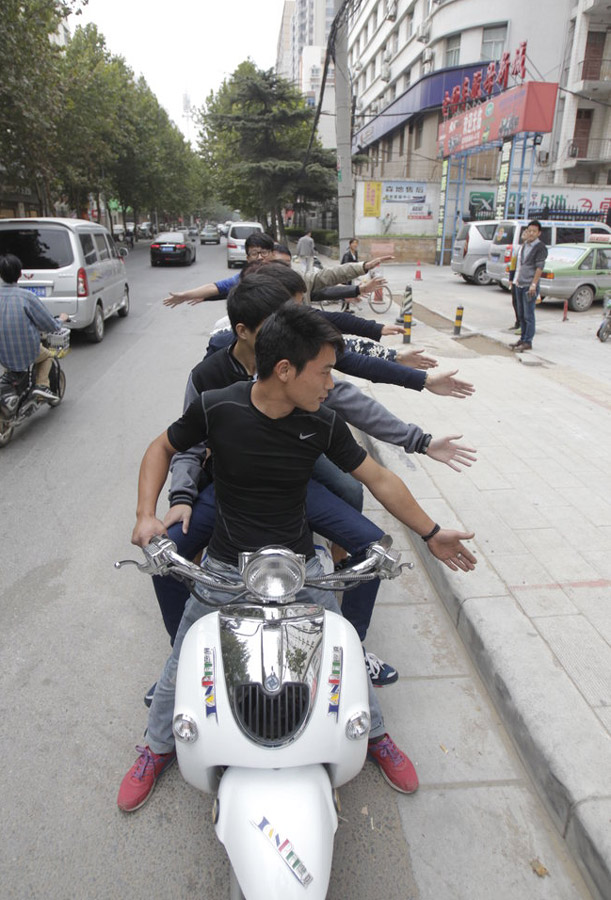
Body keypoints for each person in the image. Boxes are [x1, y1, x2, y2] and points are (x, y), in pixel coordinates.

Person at [117, 303, 477, 812]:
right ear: (285, 370)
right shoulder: (218, 405)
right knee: (183, 655)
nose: (331, 382)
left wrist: (432, 532)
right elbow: (161, 447)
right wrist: (144, 513)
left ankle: (373, 736)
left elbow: (378, 478)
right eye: (325, 371)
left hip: (299, 564)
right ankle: (156, 749)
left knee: (341, 649)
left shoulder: (322, 422)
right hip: (224, 563)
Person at [0, 254, 69, 402]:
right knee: (48, 356)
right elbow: (50, 325)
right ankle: (42, 386)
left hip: (3, 355)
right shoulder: (26, 297)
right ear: (20, 274)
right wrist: (61, 319)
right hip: (28, 351)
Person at [510, 221, 547, 353]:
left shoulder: (540, 247)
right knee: (520, 313)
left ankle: (528, 341)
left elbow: (539, 268)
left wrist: (533, 284)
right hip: (519, 283)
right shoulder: (525, 245)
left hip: (529, 286)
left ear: (539, 233)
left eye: (534, 231)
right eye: (529, 230)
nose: (531, 233)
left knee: (528, 314)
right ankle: (522, 338)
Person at [340, 239, 360, 312]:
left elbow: (356, 263)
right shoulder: (347, 254)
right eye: (353, 243)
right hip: (345, 274)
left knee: (349, 290)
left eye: (356, 243)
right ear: (350, 244)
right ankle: (344, 308)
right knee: (345, 291)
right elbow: (345, 265)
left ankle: (347, 308)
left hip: (351, 275)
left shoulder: (355, 252)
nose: (355, 245)